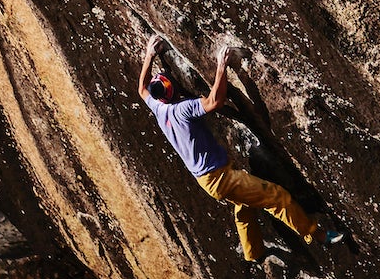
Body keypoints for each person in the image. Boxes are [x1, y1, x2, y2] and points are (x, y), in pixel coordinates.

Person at [137, 36, 347, 265]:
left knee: (244, 208)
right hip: (221, 178)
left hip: (208, 179)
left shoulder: (158, 109)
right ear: (173, 93)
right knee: (277, 198)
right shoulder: (183, 109)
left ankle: (253, 253)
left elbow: (142, 89)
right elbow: (214, 102)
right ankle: (317, 235)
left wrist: (149, 55)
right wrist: (221, 66)